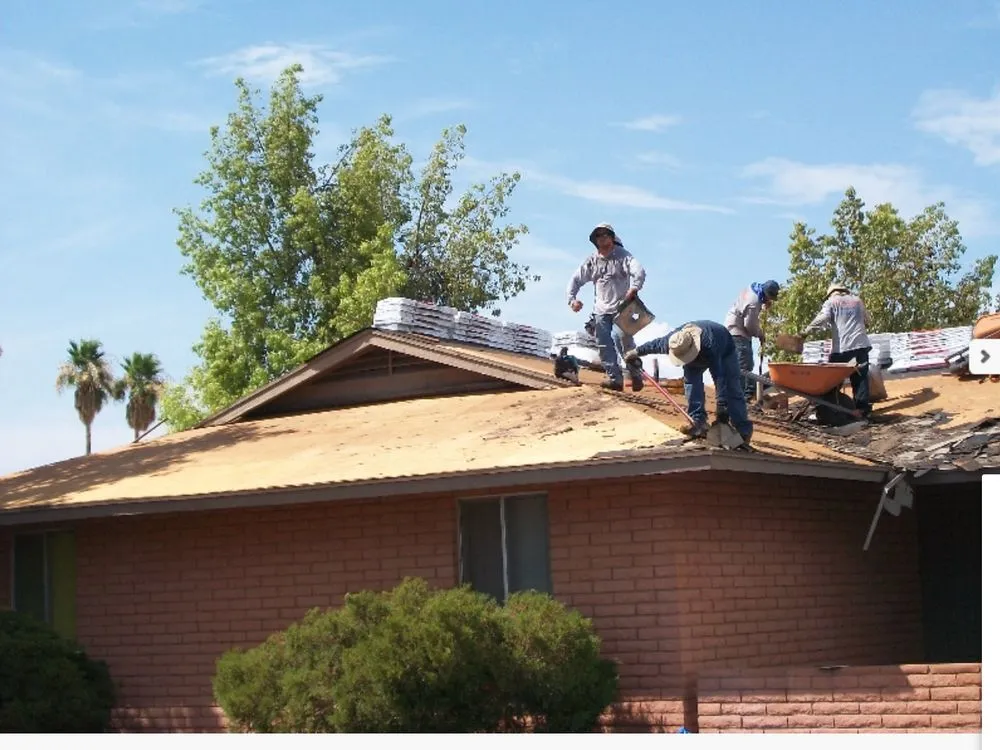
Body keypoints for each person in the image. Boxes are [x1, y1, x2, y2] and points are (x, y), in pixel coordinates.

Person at [625, 320, 753, 444]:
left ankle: (743, 430)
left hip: (724, 349)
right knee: (691, 382)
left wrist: (721, 408)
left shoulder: (709, 344)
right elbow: (653, 345)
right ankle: (697, 421)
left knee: (732, 387)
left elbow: (720, 377)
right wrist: (635, 352)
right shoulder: (674, 341)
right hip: (698, 351)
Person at [566, 223, 647, 392]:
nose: (603, 238)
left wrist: (634, 287)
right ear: (595, 240)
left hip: (622, 307)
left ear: (612, 237)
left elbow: (638, 270)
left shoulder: (623, 257)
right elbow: (575, 279)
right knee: (604, 344)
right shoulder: (592, 261)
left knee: (621, 339)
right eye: (599, 235)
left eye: (606, 235)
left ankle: (635, 373)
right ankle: (615, 379)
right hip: (601, 311)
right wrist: (572, 299)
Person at [799, 283, 874, 418]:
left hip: (842, 348)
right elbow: (868, 321)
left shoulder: (831, 302)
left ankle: (827, 408)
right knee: (860, 379)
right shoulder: (857, 301)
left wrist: (805, 332)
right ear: (844, 291)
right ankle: (863, 411)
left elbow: (822, 318)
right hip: (861, 345)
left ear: (831, 294)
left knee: (832, 380)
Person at [724, 280, 780, 403]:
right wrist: (760, 334)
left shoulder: (752, 288)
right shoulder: (754, 303)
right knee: (744, 365)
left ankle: (743, 395)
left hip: (733, 327)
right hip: (738, 331)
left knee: (744, 364)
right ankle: (740, 398)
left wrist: (764, 304)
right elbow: (749, 325)